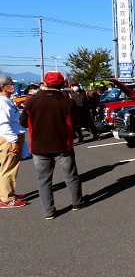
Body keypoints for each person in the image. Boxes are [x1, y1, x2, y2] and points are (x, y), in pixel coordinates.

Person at [19, 71, 89, 220]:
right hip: (63, 146)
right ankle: (77, 202)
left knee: (44, 180)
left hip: (39, 146)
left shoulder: (32, 101)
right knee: (71, 177)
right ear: (63, 84)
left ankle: (49, 211)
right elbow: (77, 124)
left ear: (45, 84)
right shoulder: (68, 102)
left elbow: (23, 121)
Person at [0, 75, 27, 208]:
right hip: (9, 138)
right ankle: (6, 199)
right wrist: (13, 141)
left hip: (13, 136)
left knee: (9, 167)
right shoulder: (2, 102)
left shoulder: (7, 100)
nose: (12, 86)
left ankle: (7, 193)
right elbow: (3, 124)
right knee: (8, 168)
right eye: (9, 84)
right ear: (2, 87)